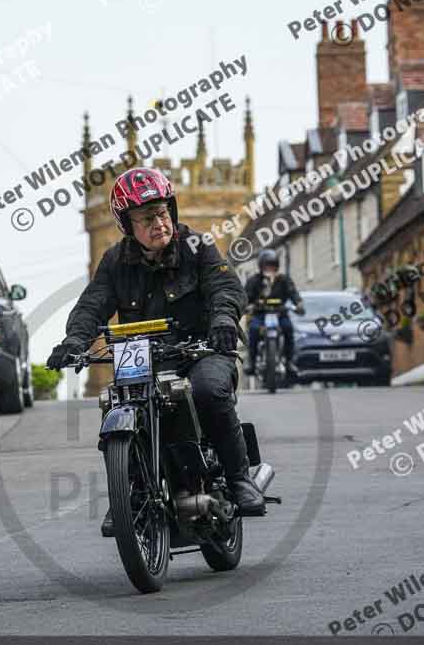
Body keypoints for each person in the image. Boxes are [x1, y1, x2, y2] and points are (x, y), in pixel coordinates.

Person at [47, 167, 265, 536]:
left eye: (163, 213)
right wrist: (73, 341)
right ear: (127, 226)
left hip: (203, 349)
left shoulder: (198, 247)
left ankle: (238, 477)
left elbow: (225, 287)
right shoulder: (115, 262)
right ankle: (129, 493)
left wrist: (224, 322)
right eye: (147, 219)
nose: (158, 223)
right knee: (119, 403)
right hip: (146, 354)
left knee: (208, 391)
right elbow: (92, 305)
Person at [245, 248, 305, 378]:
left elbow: (292, 293)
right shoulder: (254, 280)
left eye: (272, 265)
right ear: (261, 266)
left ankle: (289, 362)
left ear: (277, 266)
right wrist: (246, 306)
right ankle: (252, 362)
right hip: (259, 314)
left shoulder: (284, 279)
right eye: (267, 265)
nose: (270, 268)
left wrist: (298, 303)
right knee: (254, 330)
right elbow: (246, 296)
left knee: (288, 329)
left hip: (280, 314)